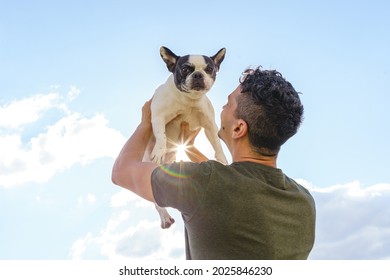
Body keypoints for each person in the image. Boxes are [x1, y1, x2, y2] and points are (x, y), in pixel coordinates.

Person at [111, 67, 316, 260]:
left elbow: (121, 172)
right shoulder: (304, 202)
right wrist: (190, 149)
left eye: (227, 104)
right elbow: (236, 189)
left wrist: (147, 122)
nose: (222, 108)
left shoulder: (203, 182)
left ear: (238, 129)